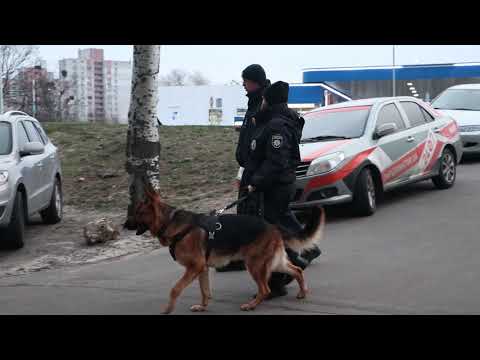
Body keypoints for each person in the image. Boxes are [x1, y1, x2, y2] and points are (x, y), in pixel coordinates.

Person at [244, 81, 321, 298]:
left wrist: (256, 182)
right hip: (277, 184)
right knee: (278, 227)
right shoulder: (276, 122)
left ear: (270, 100)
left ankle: (282, 275)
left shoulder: (277, 125)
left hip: (274, 186)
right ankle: (293, 263)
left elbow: (276, 161)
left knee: (270, 233)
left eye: (265, 99)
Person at [216, 64, 271, 272]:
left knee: (254, 217)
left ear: (255, 82)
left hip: (257, 168)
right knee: (245, 213)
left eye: (245, 81)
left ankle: (247, 257)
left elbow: (260, 138)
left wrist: (255, 168)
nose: (243, 84)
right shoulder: (253, 103)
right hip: (249, 166)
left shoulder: (263, 104)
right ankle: (238, 256)